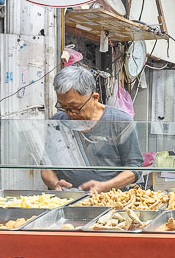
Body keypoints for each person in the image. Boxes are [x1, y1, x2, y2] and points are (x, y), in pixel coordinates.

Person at [41, 65, 146, 193]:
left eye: (75, 107)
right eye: (63, 107)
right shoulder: (57, 123)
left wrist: (105, 186)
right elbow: (46, 167)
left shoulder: (120, 122)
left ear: (95, 98)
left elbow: (134, 168)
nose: (70, 113)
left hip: (110, 198)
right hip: (68, 198)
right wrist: (55, 184)